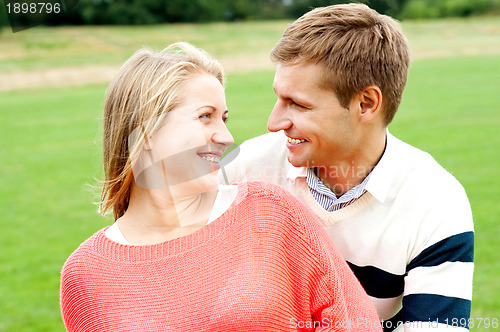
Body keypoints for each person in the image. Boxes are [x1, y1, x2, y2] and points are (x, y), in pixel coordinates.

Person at [60, 42, 383, 331]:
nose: (226, 137)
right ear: (145, 133)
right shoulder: (85, 275)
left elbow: (355, 323)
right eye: (205, 117)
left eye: (223, 118)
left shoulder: (269, 212)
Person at [220, 4, 474, 331]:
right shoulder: (242, 168)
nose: (273, 122)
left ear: (366, 104)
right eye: (279, 98)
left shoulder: (436, 202)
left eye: (298, 103)